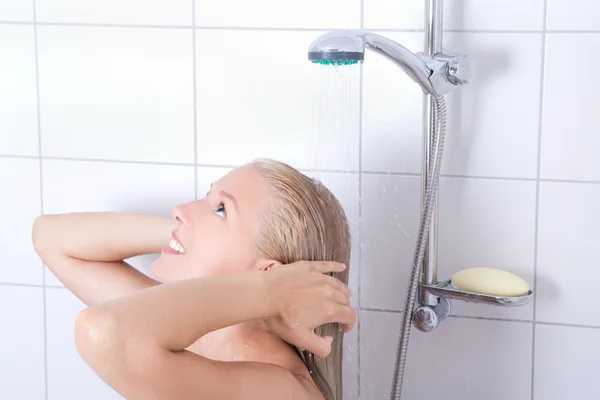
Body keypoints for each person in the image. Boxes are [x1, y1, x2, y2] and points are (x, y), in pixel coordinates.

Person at [32, 158, 356, 400]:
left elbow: (102, 332)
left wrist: (274, 291)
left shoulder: (282, 390)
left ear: (269, 273)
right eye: (207, 195)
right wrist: (183, 235)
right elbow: (51, 237)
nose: (180, 209)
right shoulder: (204, 336)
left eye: (220, 209)